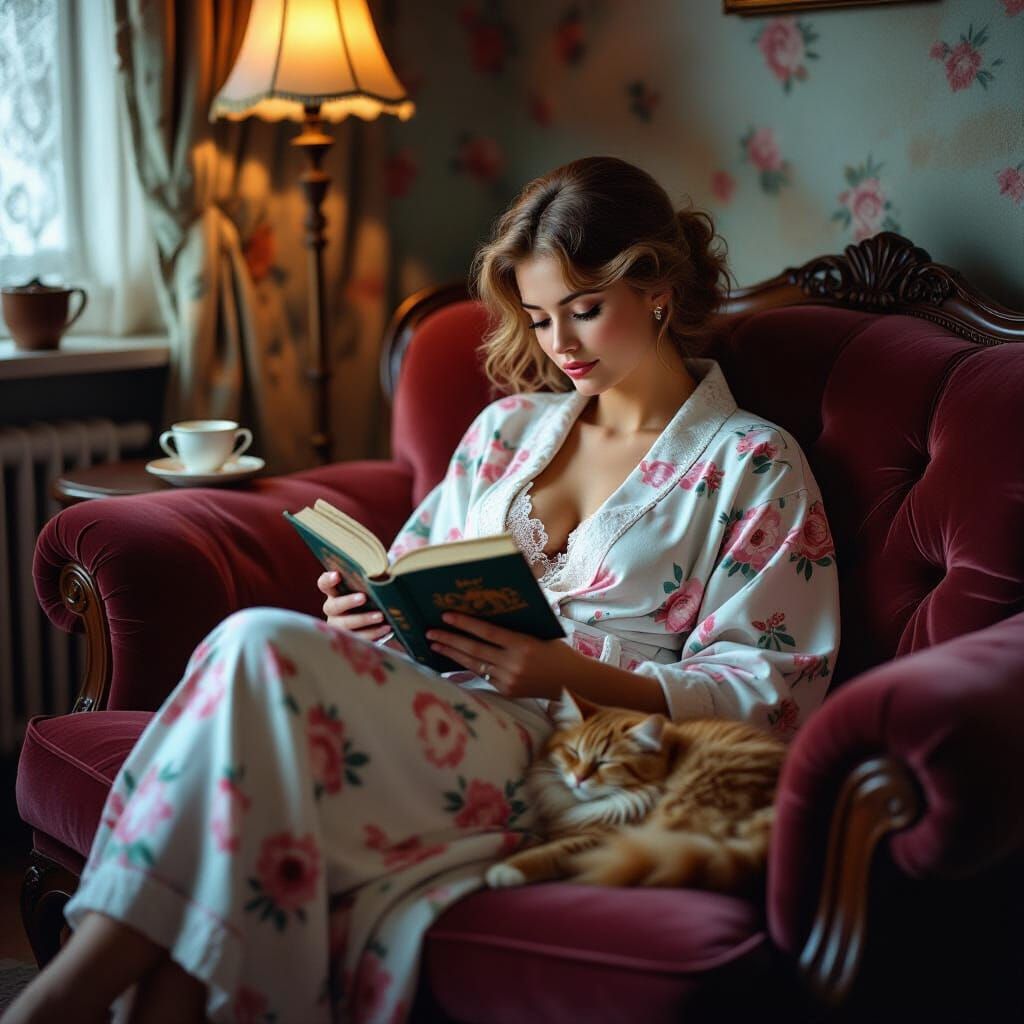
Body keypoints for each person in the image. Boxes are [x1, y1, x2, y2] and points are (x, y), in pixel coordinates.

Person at [4, 155, 839, 1024]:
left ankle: (65, 998)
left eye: (585, 310)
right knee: (258, 671)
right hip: (427, 705)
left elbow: (774, 695)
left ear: (658, 290)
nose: (559, 344)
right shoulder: (505, 430)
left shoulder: (753, 463)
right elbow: (410, 571)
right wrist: (364, 613)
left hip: (576, 754)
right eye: (539, 318)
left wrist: (570, 675)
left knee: (253, 643)